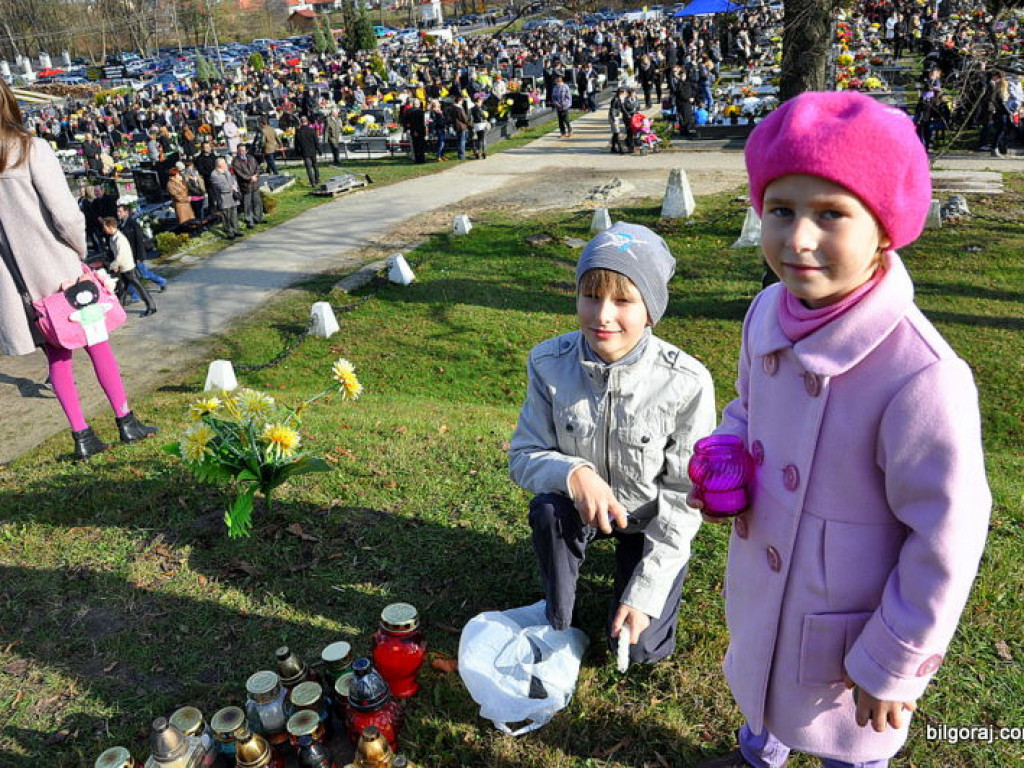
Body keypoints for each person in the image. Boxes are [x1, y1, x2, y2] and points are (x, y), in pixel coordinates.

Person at [692, 91, 991, 768]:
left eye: (831, 214)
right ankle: (758, 752)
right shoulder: (768, 310)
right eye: (781, 209)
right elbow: (748, 405)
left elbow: (949, 534)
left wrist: (895, 660)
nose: (799, 237)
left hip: (850, 625)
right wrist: (725, 454)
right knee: (766, 686)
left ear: (886, 229)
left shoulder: (920, 375)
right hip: (773, 590)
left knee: (843, 739)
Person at [509, 222, 716, 666]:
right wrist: (573, 472)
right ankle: (559, 618)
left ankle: (635, 582)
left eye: (623, 300)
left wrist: (645, 595)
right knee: (548, 510)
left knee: (642, 651)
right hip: (580, 509)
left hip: (648, 520)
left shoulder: (687, 382)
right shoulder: (547, 363)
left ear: (651, 310)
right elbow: (523, 456)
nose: (602, 315)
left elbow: (684, 498)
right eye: (591, 296)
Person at [0, 81, 157, 460]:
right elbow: (67, 215)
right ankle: (125, 420)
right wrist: (79, 252)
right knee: (98, 346)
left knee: (57, 358)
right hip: (59, 269)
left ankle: (82, 435)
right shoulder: (29, 149)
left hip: (19, 282)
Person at [102, 216, 157, 317]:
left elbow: (120, 255)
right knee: (122, 289)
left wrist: (113, 265)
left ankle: (151, 306)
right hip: (122, 268)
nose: (103, 229)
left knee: (138, 287)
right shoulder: (113, 238)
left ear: (110, 226)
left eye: (104, 227)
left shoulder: (119, 238)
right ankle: (120, 311)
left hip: (127, 267)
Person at [117, 202, 166, 296]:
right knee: (130, 275)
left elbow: (139, 241)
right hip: (128, 254)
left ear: (126, 212)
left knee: (144, 273)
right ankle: (134, 295)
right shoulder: (122, 224)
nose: (118, 213)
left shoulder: (133, 223)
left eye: (120, 211)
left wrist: (139, 256)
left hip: (136, 254)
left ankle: (161, 281)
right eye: (118, 211)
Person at [231, 143, 264, 229]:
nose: (242, 152)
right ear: (237, 151)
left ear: (246, 150)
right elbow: (239, 173)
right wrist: (250, 178)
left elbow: (257, 168)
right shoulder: (235, 161)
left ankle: (258, 218)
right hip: (245, 186)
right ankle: (249, 220)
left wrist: (256, 176)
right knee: (247, 204)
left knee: (257, 202)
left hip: (255, 184)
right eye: (240, 150)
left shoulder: (251, 158)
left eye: (243, 150)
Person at [209, 156, 241, 239]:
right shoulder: (214, 175)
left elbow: (233, 180)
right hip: (223, 199)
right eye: (224, 163)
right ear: (220, 165)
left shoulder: (226, 171)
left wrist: (234, 186)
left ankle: (236, 231)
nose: (226, 164)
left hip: (232, 197)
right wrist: (230, 187)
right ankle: (229, 233)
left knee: (234, 215)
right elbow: (220, 187)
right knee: (226, 217)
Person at [295, 115, 321, 186]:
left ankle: (312, 181)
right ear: (307, 121)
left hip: (305, 151)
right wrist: (319, 150)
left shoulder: (299, 132)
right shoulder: (312, 130)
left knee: (308, 167)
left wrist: (297, 152)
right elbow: (316, 141)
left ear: (301, 122)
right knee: (315, 165)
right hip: (313, 151)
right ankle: (317, 179)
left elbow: (296, 144)